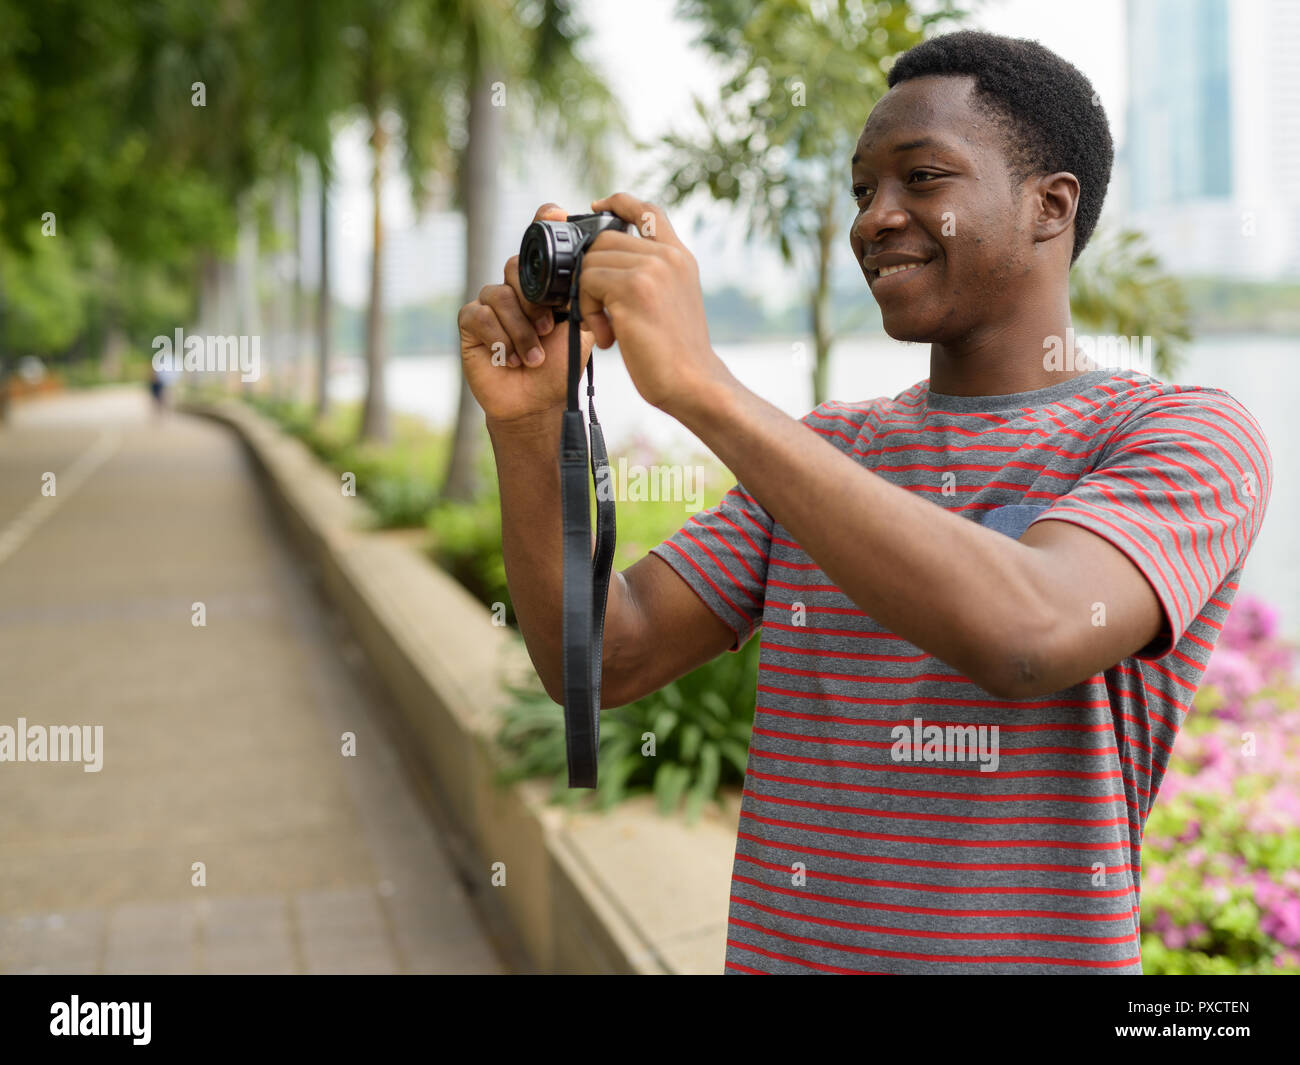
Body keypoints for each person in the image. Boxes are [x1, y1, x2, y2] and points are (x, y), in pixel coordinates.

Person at [458, 30, 1273, 974]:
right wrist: (524, 430)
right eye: (861, 191)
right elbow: (601, 652)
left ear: (1050, 206)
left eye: (922, 179)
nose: (875, 218)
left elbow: (1030, 632)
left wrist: (704, 389)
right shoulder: (830, 449)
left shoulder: (1186, 435)